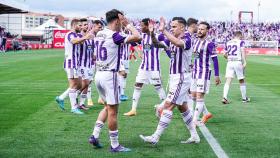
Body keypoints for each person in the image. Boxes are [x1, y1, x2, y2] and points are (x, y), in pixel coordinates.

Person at [140, 17, 199, 145]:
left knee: (167, 106)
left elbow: (179, 43)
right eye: (171, 26)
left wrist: (164, 31)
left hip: (181, 77)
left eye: (174, 26)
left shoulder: (187, 39)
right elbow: (156, 44)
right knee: (183, 108)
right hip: (175, 77)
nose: (171, 29)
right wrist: (151, 33)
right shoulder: (171, 39)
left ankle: (155, 137)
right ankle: (194, 136)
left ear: (182, 27)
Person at [88, 9, 141, 152]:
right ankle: (115, 145)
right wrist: (128, 24)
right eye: (121, 19)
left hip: (98, 74)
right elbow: (138, 37)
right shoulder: (115, 36)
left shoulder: (100, 33)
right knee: (113, 111)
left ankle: (95, 135)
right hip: (110, 76)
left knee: (106, 107)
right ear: (118, 20)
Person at [124, 18, 166, 116]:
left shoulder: (159, 37)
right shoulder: (141, 37)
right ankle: (133, 109)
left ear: (148, 26)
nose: (140, 27)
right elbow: (132, 42)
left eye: (142, 25)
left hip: (155, 67)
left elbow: (165, 45)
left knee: (158, 87)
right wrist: (139, 52)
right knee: (137, 85)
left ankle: (165, 108)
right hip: (143, 66)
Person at [55, 19, 93, 114]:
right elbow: (75, 41)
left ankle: (61, 98)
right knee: (74, 85)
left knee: (80, 85)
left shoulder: (78, 35)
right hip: (71, 62)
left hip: (77, 63)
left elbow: (81, 41)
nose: (81, 27)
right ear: (74, 25)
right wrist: (86, 37)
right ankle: (73, 107)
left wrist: (87, 36)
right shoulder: (70, 34)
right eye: (79, 25)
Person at [191, 21, 221, 125]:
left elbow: (215, 60)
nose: (199, 31)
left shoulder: (210, 44)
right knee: (193, 96)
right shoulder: (195, 41)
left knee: (199, 96)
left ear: (207, 31)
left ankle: (194, 120)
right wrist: (192, 64)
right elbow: (195, 56)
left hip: (204, 72)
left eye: (202, 29)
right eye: (199, 29)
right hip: (194, 72)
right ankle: (206, 113)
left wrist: (217, 75)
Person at [222, 31, 250, 104]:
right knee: (241, 80)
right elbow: (242, 52)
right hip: (238, 62)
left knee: (228, 80)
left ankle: (224, 97)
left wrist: (229, 58)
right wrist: (244, 62)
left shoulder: (228, 42)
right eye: (241, 36)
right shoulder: (241, 42)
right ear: (239, 35)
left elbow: (224, 54)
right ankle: (244, 98)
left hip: (230, 62)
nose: (242, 37)